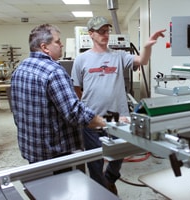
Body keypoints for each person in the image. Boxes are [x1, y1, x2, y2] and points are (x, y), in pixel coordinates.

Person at [71, 16, 166, 194]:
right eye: (101, 31)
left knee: (120, 153)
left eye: (107, 31)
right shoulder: (81, 59)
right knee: (95, 160)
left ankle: (109, 179)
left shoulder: (119, 56)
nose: (105, 34)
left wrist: (147, 47)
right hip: (92, 118)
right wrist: (86, 106)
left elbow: (142, 61)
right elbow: (76, 88)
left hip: (119, 117)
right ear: (91, 34)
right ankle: (101, 191)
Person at [11, 24, 106, 164]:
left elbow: (17, 111)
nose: (61, 45)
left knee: (39, 184)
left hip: (31, 148)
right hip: (55, 154)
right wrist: (106, 122)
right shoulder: (54, 71)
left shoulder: (21, 68)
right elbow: (74, 113)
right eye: (57, 41)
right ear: (44, 47)